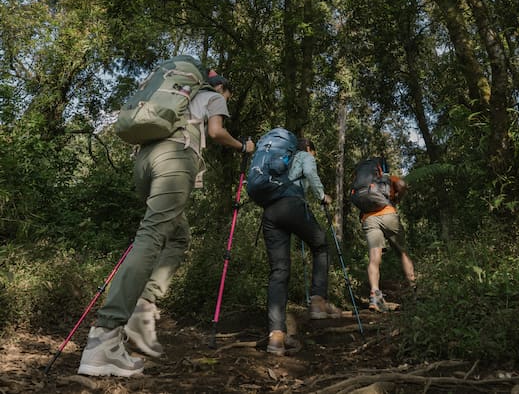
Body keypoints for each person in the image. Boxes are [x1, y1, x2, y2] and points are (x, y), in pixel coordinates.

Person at [78, 69, 255, 377]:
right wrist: (243, 147)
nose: (227, 98)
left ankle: (144, 303)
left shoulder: (176, 98)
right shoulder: (213, 96)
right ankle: (105, 336)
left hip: (145, 163)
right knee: (152, 237)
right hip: (175, 159)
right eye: (228, 93)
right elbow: (215, 132)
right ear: (222, 87)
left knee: (177, 236)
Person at [262, 137, 341, 356]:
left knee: (279, 271)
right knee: (321, 245)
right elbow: (311, 174)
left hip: (270, 212)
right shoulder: (304, 156)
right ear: (309, 149)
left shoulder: (276, 160)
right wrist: (322, 196)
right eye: (314, 153)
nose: (313, 157)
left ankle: (276, 337)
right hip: (291, 206)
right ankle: (317, 301)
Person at [359, 167, 416, 312]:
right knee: (402, 253)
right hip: (389, 215)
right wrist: (397, 198)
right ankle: (414, 290)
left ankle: (374, 295)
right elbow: (402, 185)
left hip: (369, 218)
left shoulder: (364, 182)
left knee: (374, 258)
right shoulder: (389, 178)